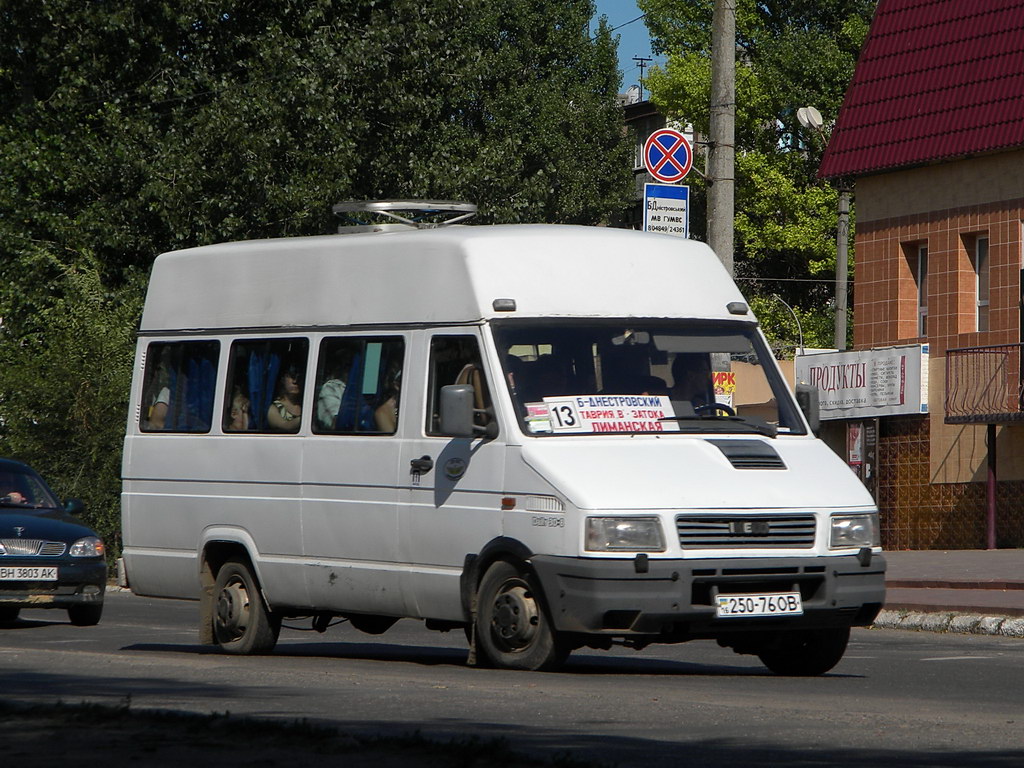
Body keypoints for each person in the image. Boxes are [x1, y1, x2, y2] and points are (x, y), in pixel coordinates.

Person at [268, 365, 303, 432]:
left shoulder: (306, 405)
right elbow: (285, 425)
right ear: (283, 380)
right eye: (291, 377)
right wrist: (307, 420)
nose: (295, 381)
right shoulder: (274, 408)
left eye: (299, 378)